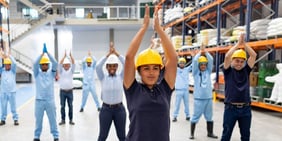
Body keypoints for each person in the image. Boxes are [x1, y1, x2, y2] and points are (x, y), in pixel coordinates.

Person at [123, 5, 177, 141]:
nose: (151, 72)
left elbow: (173, 58)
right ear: (139, 71)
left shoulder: (165, 88)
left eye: (155, 68)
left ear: (160, 70)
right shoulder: (133, 89)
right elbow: (129, 57)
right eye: (146, 68)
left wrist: (159, 29)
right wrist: (143, 28)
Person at [221, 33, 257, 141]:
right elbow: (227, 56)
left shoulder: (246, 70)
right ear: (232, 61)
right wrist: (237, 45)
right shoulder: (228, 71)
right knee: (226, 135)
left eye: (242, 61)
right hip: (230, 109)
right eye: (237, 60)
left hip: (246, 109)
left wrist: (244, 44)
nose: (239, 63)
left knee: (245, 136)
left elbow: (253, 55)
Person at [96, 42, 126, 141]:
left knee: (122, 136)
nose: (112, 68)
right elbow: (97, 66)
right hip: (106, 110)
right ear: (107, 67)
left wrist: (116, 53)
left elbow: (126, 64)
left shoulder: (121, 77)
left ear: (117, 67)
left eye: (114, 66)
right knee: (102, 136)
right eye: (110, 66)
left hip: (119, 110)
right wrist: (108, 55)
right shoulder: (103, 77)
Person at [190, 45, 217, 139]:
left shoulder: (208, 71)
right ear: (199, 65)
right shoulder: (196, 73)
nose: (203, 66)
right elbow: (194, 62)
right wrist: (199, 53)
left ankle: (210, 133)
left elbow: (211, 60)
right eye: (201, 64)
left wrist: (205, 51)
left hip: (208, 98)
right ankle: (192, 134)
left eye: (204, 64)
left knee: (209, 116)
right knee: (195, 116)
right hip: (199, 99)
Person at [33, 48, 59, 141]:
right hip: (39, 101)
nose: (44, 66)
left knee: (53, 119)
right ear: (40, 66)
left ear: (48, 65)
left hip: (49, 101)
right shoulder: (37, 74)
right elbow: (34, 64)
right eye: (42, 64)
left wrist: (47, 53)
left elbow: (55, 63)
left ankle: (56, 136)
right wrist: (41, 54)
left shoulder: (51, 73)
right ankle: (36, 136)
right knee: (38, 120)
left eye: (46, 64)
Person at [0, 49, 19, 126]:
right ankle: (3, 119)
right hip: (3, 92)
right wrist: (1, 54)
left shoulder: (13, 71)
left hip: (12, 91)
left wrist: (9, 56)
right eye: (6, 64)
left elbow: (15, 63)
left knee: (13, 106)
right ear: (4, 65)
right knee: (3, 106)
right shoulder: (2, 70)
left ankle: (15, 119)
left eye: (9, 64)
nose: (8, 66)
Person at [58, 51, 75, 125]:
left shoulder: (71, 71)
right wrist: (64, 57)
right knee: (62, 106)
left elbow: (74, 63)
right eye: (65, 65)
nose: (66, 66)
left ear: (69, 65)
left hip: (70, 92)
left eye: (68, 65)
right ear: (63, 66)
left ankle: (71, 120)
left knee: (70, 106)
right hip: (62, 92)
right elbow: (59, 64)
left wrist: (71, 56)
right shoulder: (61, 71)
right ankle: (63, 120)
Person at [172, 57, 192, 122]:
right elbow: (172, 64)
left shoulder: (187, 69)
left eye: (183, 63)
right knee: (177, 104)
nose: (182, 64)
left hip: (185, 90)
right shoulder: (176, 70)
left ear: (185, 63)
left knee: (187, 104)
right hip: (179, 90)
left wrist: (194, 57)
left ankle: (188, 116)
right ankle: (174, 116)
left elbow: (193, 64)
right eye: (180, 63)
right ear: (178, 63)